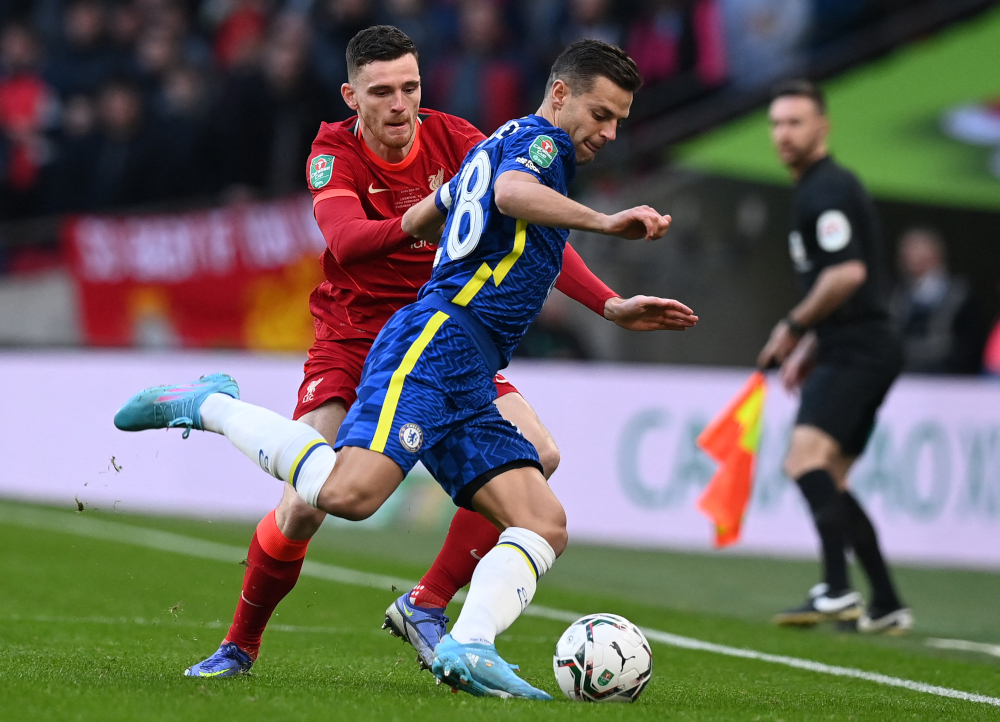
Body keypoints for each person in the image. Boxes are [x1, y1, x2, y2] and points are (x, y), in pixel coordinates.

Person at [115, 38, 696, 699]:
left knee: (540, 472)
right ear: (353, 97)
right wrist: (428, 212)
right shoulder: (335, 151)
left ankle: (439, 615)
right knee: (320, 502)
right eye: (384, 91)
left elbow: (538, 231)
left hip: (451, 342)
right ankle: (237, 633)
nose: (401, 104)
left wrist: (611, 303)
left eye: (412, 88)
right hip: (367, 334)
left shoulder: (463, 138)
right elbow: (348, 242)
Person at [758, 79, 911, 634]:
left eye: (795, 122)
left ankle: (837, 590)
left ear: (823, 127)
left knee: (803, 462)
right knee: (834, 479)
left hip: (860, 349)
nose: (784, 134)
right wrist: (810, 344)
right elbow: (843, 282)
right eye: (777, 123)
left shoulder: (826, 190)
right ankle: (887, 600)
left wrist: (795, 327)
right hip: (857, 344)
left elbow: (848, 274)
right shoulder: (818, 189)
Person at [890, 227, 985, 375]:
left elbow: (970, 347)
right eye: (907, 253)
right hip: (903, 375)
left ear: (936, 255)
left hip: (947, 380)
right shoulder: (896, 294)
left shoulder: (960, 295)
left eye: (918, 251)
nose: (911, 257)